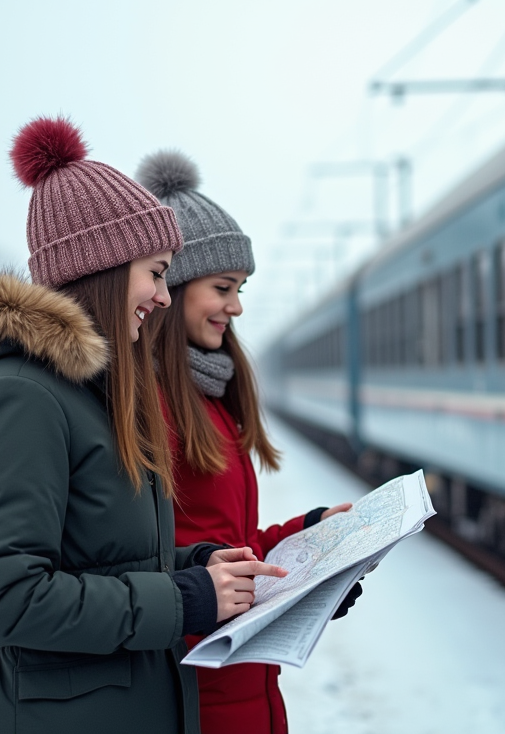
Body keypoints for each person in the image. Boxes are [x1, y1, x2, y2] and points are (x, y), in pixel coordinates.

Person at [0, 118, 285, 734]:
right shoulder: (20, 398)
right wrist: (184, 598)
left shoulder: (86, 396)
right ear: (105, 270)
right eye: (157, 272)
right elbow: (9, 597)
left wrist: (201, 563)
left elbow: (105, 559)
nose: (164, 296)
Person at [138, 150, 360, 734]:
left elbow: (222, 547)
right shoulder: (150, 406)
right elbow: (156, 565)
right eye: (223, 287)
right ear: (172, 287)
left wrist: (308, 544)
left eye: (240, 288)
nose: (236, 307)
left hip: (244, 686)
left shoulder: (209, 399)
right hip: (197, 692)